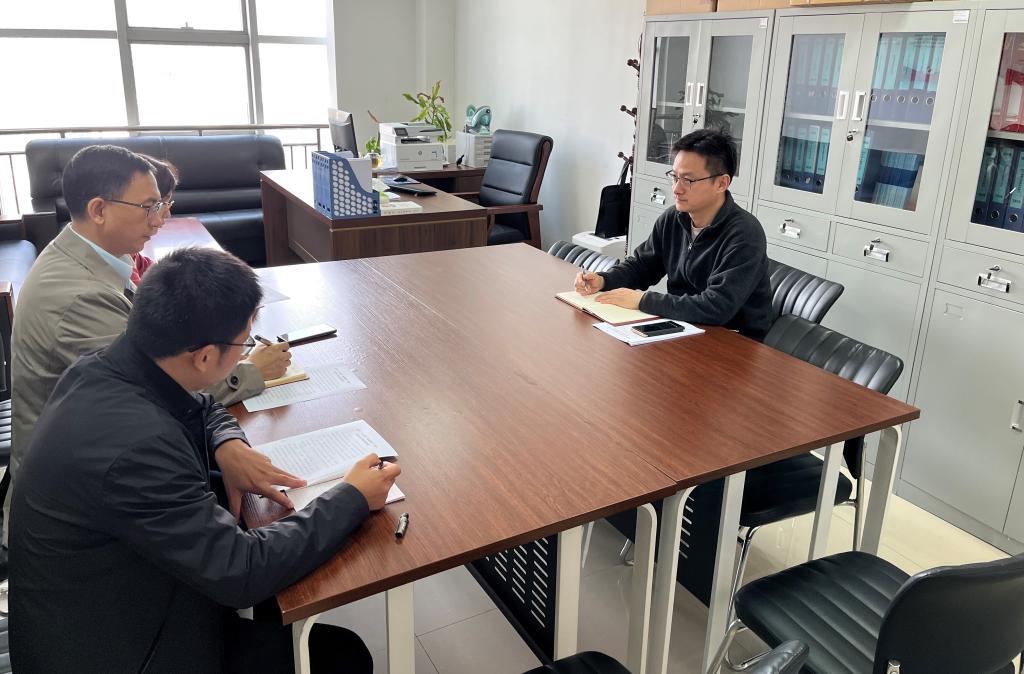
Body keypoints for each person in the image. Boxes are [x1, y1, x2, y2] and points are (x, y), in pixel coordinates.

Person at [10, 247, 400, 673]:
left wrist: (229, 444)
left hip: (116, 598)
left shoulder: (111, 366)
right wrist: (352, 497)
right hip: (121, 652)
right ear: (205, 357)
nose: (247, 349)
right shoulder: (137, 447)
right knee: (342, 657)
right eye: (244, 342)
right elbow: (242, 571)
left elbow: (203, 405)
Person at [6, 145, 292, 542]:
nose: (160, 218)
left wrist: (225, 438)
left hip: (108, 463)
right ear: (99, 209)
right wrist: (251, 371)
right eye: (149, 207)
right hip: (78, 512)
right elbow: (163, 386)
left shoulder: (94, 258)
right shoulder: (78, 298)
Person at [575, 128, 773, 340]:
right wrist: (603, 280)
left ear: (721, 183)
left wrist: (642, 301)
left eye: (688, 180)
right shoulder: (674, 218)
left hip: (733, 340)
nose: (677, 189)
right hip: (684, 327)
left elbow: (717, 307)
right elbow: (641, 267)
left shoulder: (745, 234)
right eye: (674, 177)